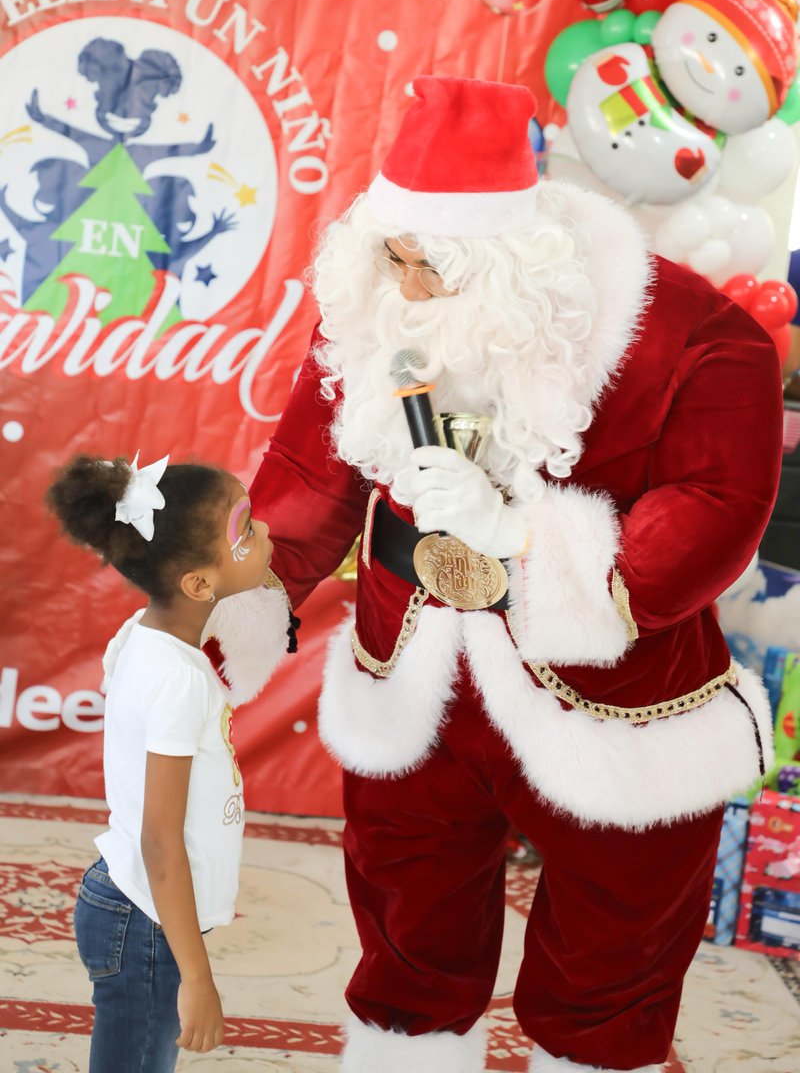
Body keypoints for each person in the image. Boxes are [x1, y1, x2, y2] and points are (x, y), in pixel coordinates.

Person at [248, 76, 784, 1073]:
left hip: (612, 699)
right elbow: (309, 477)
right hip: (411, 677)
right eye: (394, 257)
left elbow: (718, 504)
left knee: (614, 946)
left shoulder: (692, 333)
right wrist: (240, 603)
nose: (408, 287)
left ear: (514, 261)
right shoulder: (373, 305)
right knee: (408, 927)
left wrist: (525, 538)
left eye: (433, 267)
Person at [46, 451, 288, 1073]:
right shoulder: (179, 677)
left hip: (138, 911)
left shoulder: (145, 633)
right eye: (246, 530)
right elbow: (160, 839)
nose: (264, 531)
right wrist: (198, 979)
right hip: (144, 923)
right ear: (199, 585)